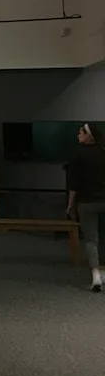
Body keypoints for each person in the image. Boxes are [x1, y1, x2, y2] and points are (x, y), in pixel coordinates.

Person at [67, 122, 105, 292]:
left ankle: (96, 275)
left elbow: (73, 184)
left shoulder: (78, 155)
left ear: (89, 135)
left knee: (91, 240)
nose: (78, 134)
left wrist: (70, 205)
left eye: (81, 132)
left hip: (86, 202)